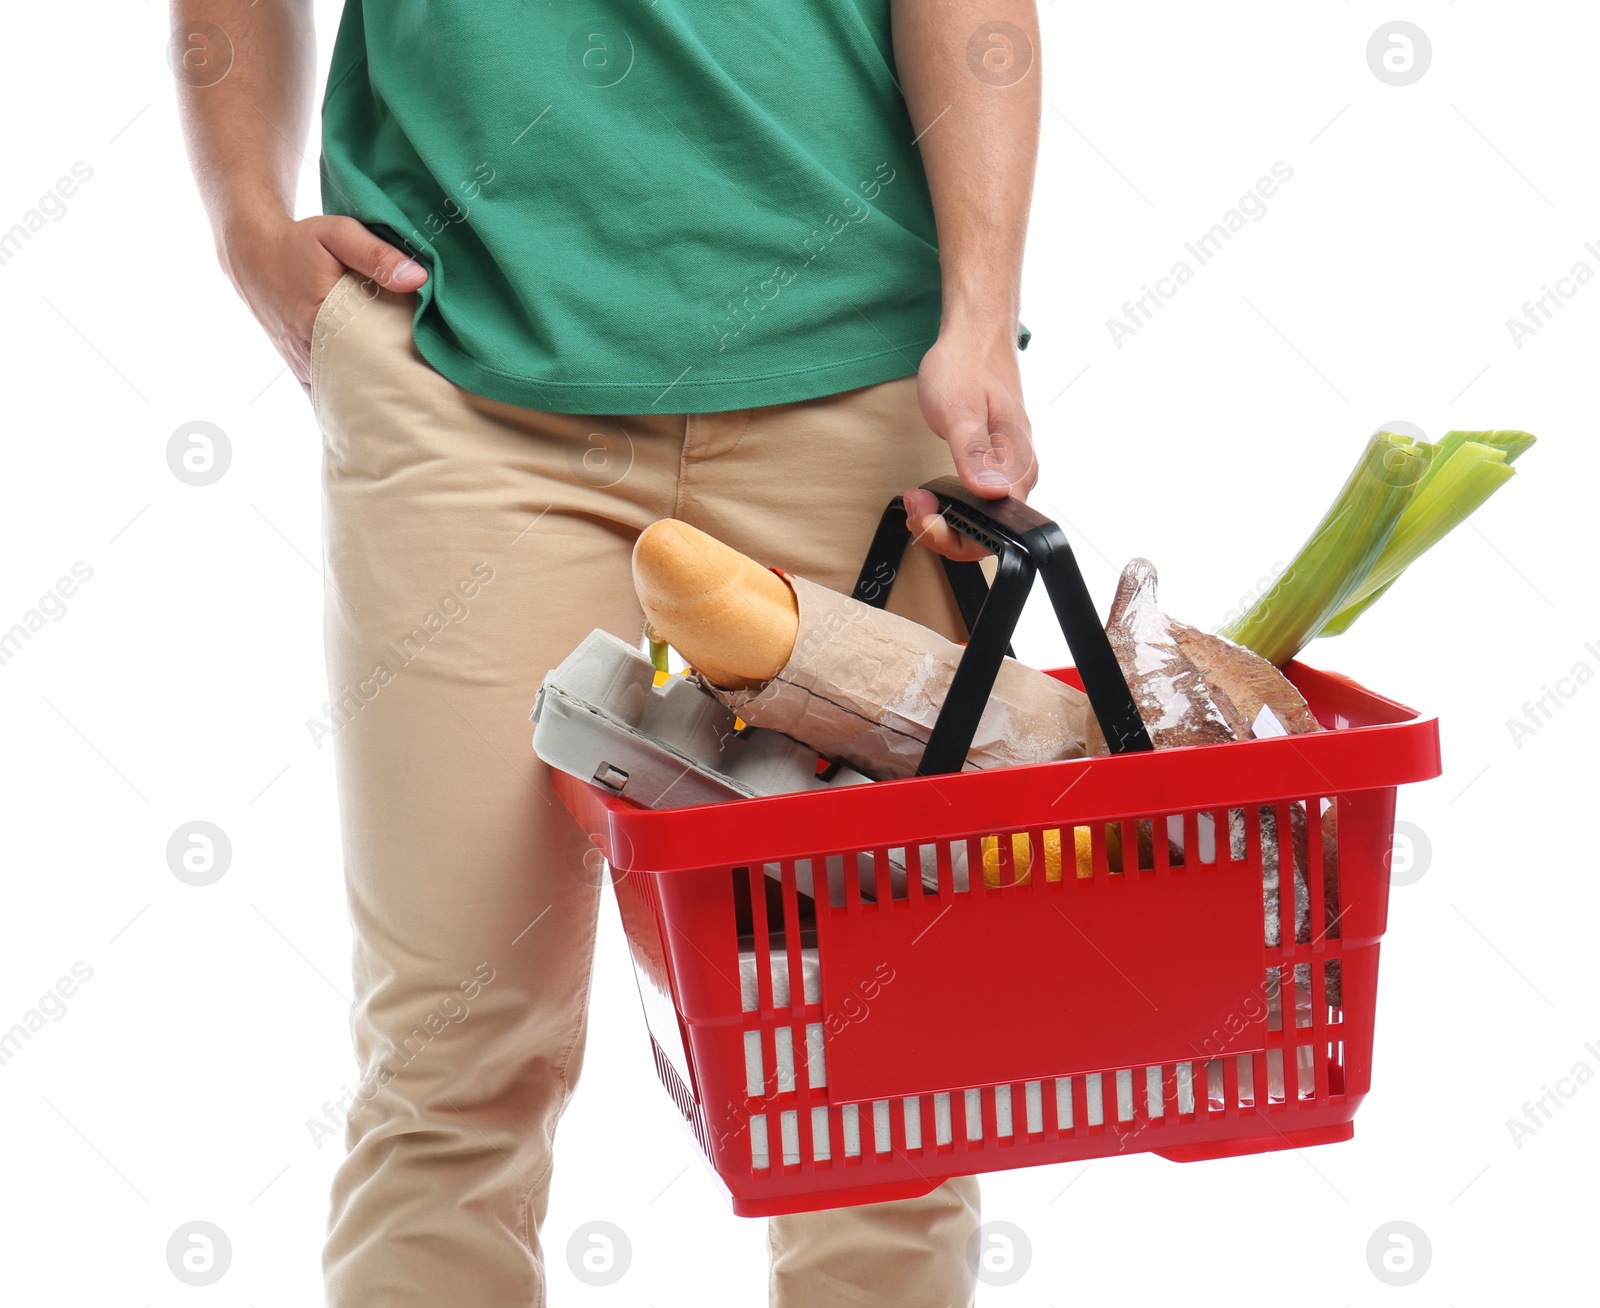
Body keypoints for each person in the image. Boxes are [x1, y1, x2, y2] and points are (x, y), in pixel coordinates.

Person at [174, 1, 1042, 1302]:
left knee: (881, 1084)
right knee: (452, 1054)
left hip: (855, 372)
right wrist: (246, 221)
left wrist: (981, 313)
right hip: (463, 377)